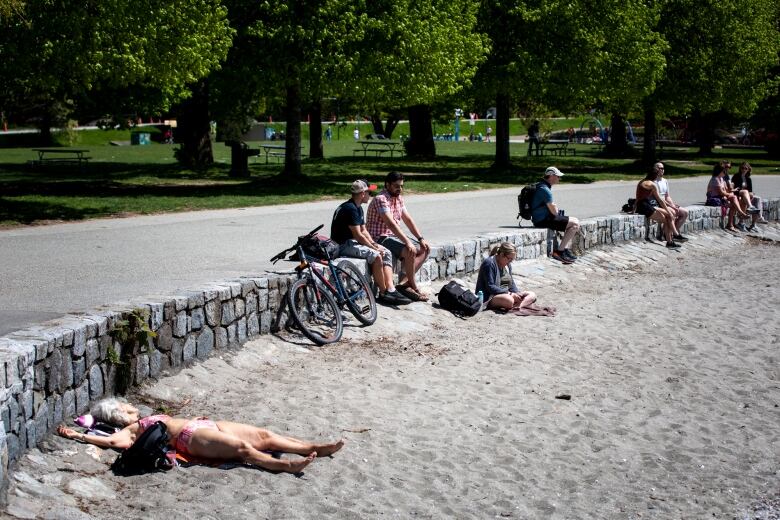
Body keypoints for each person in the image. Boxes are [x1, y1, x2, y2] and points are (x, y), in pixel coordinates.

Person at [56, 397, 344, 474]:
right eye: (124, 407)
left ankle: (311, 447)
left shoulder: (145, 418)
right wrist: (78, 436)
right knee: (243, 448)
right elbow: (110, 442)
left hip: (206, 424)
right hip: (190, 438)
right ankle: (285, 465)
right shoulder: (131, 430)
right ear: (118, 413)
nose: (130, 407)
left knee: (264, 435)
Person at [330, 180, 411, 306]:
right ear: (363, 193)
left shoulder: (358, 207)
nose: (371, 195)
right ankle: (384, 293)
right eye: (369, 192)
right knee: (376, 256)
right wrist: (373, 248)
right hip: (343, 245)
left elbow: (364, 230)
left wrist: (374, 244)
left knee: (386, 252)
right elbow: (358, 235)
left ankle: (391, 289)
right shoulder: (350, 208)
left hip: (353, 242)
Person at [366, 172, 431, 302]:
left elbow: (408, 219)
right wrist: (407, 242)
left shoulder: (398, 197)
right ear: (387, 185)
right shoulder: (381, 199)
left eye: (401, 186)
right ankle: (413, 287)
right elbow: (390, 224)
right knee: (409, 250)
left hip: (392, 236)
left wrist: (420, 238)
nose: (400, 189)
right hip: (379, 237)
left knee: (425, 248)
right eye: (396, 186)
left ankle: (403, 284)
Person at [530, 166, 581, 264]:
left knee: (575, 220)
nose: (559, 178)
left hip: (542, 218)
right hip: (543, 220)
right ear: (551, 176)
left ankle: (564, 249)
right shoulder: (545, 189)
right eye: (558, 176)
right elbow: (555, 213)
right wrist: (555, 208)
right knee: (575, 224)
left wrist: (554, 208)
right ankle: (559, 252)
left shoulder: (542, 186)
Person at [475, 242, 537, 312]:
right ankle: (518, 304)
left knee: (532, 295)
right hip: (491, 296)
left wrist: (517, 293)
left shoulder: (507, 265)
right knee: (509, 300)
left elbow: (511, 283)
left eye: (511, 260)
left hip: (507, 294)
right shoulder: (489, 263)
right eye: (509, 259)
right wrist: (509, 294)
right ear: (501, 255)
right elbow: (490, 287)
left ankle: (520, 305)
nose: (509, 262)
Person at [635, 169, 682, 248]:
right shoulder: (652, 184)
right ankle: (672, 238)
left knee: (670, 215)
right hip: (645, 208)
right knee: (668, 218)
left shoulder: (641, 182)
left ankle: (674, 236)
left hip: (644, 205)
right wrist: (668, 210)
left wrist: (634, 209)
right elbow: (660, 200)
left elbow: (637, 197)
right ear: (655, 176)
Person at [652, 162, 689, 241]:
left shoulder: (665, 181)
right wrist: (672, 207)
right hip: (660, 204)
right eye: (660, 168)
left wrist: (673, 205)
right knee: (672, 212)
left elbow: (667, 196)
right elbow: (659, 199)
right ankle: (671, 234)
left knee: (685, 212)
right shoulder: (654, 182)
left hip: (667, 203)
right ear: (655, 169)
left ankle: (671, 232)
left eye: (663, 168)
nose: (662, 170)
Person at [706, 165, 749, 231]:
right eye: (724, 171)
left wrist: (731, 191)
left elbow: (725, 191)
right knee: (733, 203)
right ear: (719, 171)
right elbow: (721, 193)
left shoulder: (721, 179)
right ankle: (738, 216)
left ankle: (733, 222)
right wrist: (729, 194)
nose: (725, 173)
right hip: (714, 199)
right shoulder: (715, 179)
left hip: (721, 198)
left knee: (734, 199)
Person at [731, 162, 763, 230]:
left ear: (748, 169)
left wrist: (751, 193)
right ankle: (741, 221)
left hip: (746, 195)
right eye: (742, 168)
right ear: (740, 168)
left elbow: (750, 190)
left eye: (746, 168)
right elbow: (734, 188)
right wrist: (747, 192)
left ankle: (754, 224)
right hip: (738, 193)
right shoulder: (736, 176)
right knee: (745, 195)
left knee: (758, 199)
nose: (744, 170)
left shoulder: (748, 178)